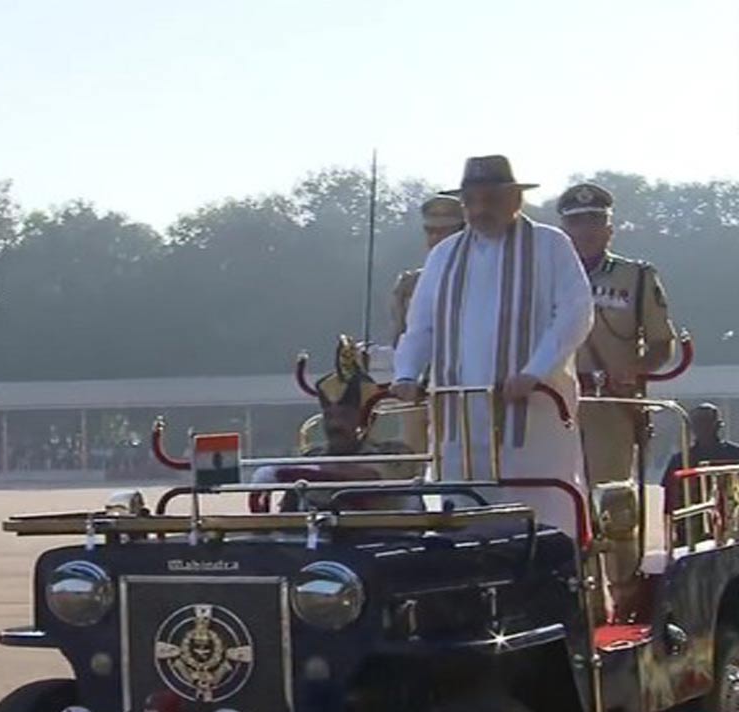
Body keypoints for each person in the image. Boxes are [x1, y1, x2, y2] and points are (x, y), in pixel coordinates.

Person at [393, 155, 594, 537]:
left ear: (515, 199)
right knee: (466, 507)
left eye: (491, 198)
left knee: (540, 504)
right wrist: (406, 373)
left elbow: (574, 315)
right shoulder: (444, 255)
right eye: (472, 200)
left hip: (532, 409)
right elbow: (421, 326)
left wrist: (535, 371)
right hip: (461, 416)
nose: (481, 208)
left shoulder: (550, 245)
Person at [558, 183, 678, 486]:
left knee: (609, 499)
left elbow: (662, 343)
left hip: (609, 402)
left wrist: (636, 369)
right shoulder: (541, 277)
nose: (586, 231)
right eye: (576, 222)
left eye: (596, 221)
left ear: (610, 229)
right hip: (552, 403)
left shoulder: (636, 277)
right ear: (563, 230)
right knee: (553, 495)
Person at [254, 336, 420, 512]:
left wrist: (286, 473)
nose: (335, 424)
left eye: (344, 415)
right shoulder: (312, 457)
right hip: (317, 536)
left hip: (380, 536)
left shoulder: (395, 454)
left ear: (367, 417)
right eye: (329, 415)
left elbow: (367, 480)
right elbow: (288, 513)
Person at [391, 196, 466, 346]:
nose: (435, 239)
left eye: (444, 232)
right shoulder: (410, 284)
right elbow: (401, 341)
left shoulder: (485, 278)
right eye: (430, 232)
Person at [661, 404, 739, 529]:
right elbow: (670, 499)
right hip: (690, 526)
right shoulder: (680, 460)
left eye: (707, 423)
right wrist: (670, 530)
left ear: (717, 426)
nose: (704, 429)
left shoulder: (735, 454)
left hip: (731, 523)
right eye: (700, 424)